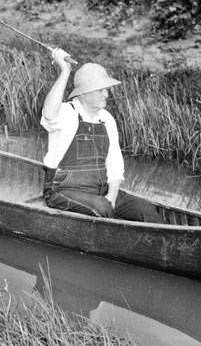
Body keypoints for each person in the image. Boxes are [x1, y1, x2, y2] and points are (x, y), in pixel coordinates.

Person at [41, 48, 161, 222]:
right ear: (83, 93)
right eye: (100, 90)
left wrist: (112, 197)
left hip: (100, 191)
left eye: (106, 89)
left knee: (146, 211)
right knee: (101, 208)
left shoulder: (106, 119)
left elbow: (115, 164)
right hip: (61, 191)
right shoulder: (67, 113)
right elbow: (49, 113)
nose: (106, 94)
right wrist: (65, 71)